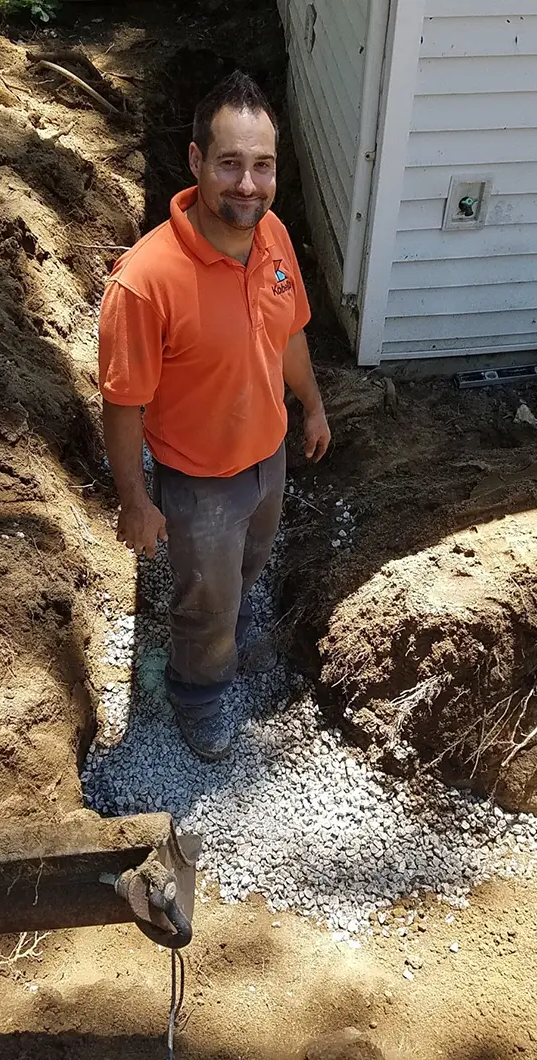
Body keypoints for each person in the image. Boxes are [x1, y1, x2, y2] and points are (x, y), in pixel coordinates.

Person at [98, 72, 330, 763]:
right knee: (204, 597)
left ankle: (231, 615)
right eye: (230, 163)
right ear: (196, 161)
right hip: (199, 482)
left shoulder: (274, 237)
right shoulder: (145, 282)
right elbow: (124, 402)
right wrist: (134, 500)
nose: (248, 184)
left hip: (270, 454)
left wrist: (312, 407)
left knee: (248, 564)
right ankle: (196, 690)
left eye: (262, 166)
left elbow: (290, 335)